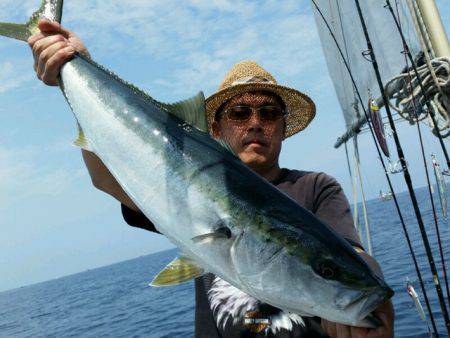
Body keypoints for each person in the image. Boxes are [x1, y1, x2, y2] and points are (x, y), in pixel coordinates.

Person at [28, 19, 394, 338]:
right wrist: (75, 68)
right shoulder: (176, 186)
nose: (255, 123)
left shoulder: (316, 187)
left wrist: (369, 288)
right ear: (216, 128)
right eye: (239, 112)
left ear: (283, 127)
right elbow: (106, 180)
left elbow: (355, 255)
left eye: (268, 113)